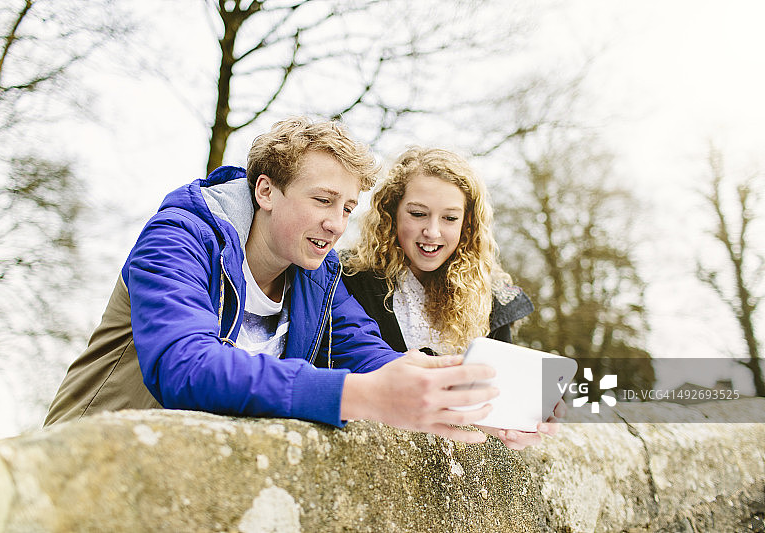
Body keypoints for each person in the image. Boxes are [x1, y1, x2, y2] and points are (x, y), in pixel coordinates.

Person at [44, 118, 500, 444]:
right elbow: (185, 366)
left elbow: (372, 358)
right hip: (86, 472)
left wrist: (478, 404)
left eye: (346, 208)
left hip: (198, 487)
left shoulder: (316, 275)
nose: (336, 225)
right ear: (265, 190)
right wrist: (356, 396)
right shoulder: (178, 238)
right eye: (322, 200)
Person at [342, 147, 563, 449]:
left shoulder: (493, 298)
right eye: (418, 214)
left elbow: (495, 391)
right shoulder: (349, 277)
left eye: (449, 218)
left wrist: (515, 416)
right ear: (392, 212)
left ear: (466, 223)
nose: (432, 231)